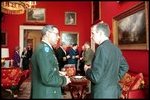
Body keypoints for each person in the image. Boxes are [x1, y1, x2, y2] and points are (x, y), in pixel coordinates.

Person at [84, 21, 129, 99]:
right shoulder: (116, 49)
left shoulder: (101, 49)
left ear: (101, 33)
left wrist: (87, 70)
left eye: (93, 33)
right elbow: (125, 66)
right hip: (114, 93)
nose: (91, 36)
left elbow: (95, 77)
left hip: (101, 94)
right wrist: (115, 78)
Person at [31, 25, 71, 99]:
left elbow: (47, 69)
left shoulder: (46, 48)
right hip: (46, 94)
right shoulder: (44, 50)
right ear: (48, 34)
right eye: (56, 34)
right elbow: (47, 78)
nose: (58, 37)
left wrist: (58, 73)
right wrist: (64, 80)